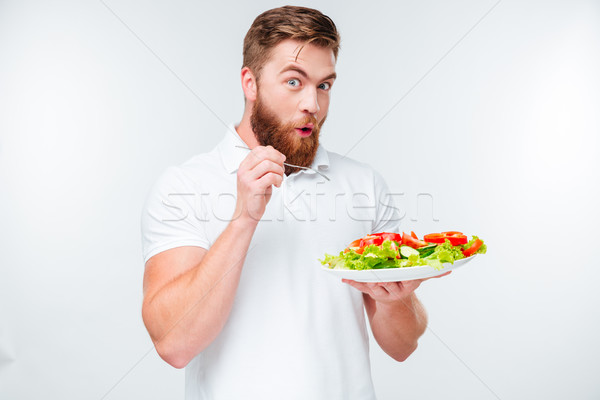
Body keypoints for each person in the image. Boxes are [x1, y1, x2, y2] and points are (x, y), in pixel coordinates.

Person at [141, 6, 440, 399]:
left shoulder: (363, 185)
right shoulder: (184, 186)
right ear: (250, 82)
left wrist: (394, 300)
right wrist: (243, 219)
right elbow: (174, 345)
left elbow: (403, 345)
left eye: (324, 85)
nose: (312, 105)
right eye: (294, 82)